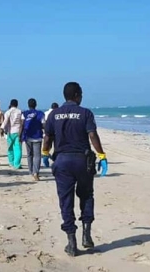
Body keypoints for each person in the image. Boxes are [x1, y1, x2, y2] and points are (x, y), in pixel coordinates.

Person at [43, 81, 107, 257]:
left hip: (62, 161)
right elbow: (92, 135)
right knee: (86, 195)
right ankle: (86, 234)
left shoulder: (54, 114)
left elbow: (47, 137)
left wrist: (44, 153)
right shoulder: (85, 113)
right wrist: (102, 155)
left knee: (66, 200)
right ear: (77, 95)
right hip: (82, 161)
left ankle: (71, 243)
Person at [21, 98, 46, 181]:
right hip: (37, 136)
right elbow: (43, 125)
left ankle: (31, 171)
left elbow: (22, 125)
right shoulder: (40, 113)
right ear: (36, 104)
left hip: (27, 136)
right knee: (37, 155)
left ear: (28, 105)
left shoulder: (24, 113)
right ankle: (36, 172)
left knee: (29, 154)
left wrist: (20, 135)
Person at [1, 99, 23, 169]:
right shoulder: (20, 112)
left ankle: (11, 162)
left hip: (10, 132)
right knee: (18, 148)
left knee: (10, 148)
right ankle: (17, 164)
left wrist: (2, 129)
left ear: (10, 104)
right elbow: (22, 122)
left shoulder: (8, 112)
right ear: (17, 104)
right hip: (18, 132)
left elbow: (5, 122)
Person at [42, 102, 59, 168]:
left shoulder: (45, 113)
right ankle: (56, 161)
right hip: (56, 133)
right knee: (57, 148)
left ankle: (46, 163)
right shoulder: (57, 113)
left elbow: (43, 123)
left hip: (47, 133)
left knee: (47, 148)